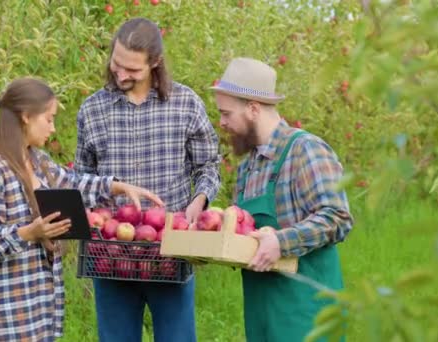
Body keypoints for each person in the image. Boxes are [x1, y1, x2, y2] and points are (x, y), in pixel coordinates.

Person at [0, 77, 164, 341]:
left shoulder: (38, 161)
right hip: (7, 315)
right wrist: (29, 233)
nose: (53, 128)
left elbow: (74, 184)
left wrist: (119, 187)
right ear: (25, 116)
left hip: (42, 309)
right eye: (49, 119)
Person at [74, 18, 221, 342]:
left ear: (155, 63)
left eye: (133, 70)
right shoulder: (92, 110)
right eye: (116, 64)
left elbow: (208, 164)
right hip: (110, 255)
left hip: (170, 253)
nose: (121, 74)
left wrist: (200, 200)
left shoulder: (185, 104)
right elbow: (80, 178)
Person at [210, 57, 353, 341]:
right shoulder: (248, 166)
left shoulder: (305, 150)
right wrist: (214, 242)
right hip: (262, 310)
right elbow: (248, 233)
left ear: (253, 109)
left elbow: (338, 217)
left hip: (307, 310)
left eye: (226, 114)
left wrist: (281, 241)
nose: (222, 122)